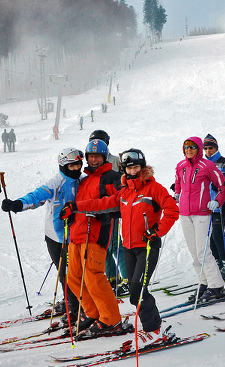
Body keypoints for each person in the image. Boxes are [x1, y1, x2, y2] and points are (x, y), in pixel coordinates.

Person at [71, 149, 179, 339]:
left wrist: (156, 232)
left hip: (147, 247)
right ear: (124, 170)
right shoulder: (125, 192)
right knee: (134, 292)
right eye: (129, 168)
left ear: (143, 167)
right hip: (129, 249)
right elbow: (101, 203)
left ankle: (153, 328)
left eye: (136, 167)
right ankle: (154, 323)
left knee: (137, 290)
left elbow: (172, 210)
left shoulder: (155, 189)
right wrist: (76, 207)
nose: (132, 171)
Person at [2, 147, 82, 325]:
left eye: (78, 164)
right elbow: (36, 196)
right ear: (63, 166)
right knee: (65, 274)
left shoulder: (83, 181)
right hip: (55, 236)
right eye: (72, 166)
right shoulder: (56, 182)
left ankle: (77, 307)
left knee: (76, 274)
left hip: (76, 235)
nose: (76, 168)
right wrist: (17, 204)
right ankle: (73, 306)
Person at [58, 139, 127, 338]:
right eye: (91, 156)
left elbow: (119, 203)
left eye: (98, 156)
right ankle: (93, 313)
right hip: (77, 234)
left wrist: (98, 212)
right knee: (73, 277)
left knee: (94, 277)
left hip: (96, 234)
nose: (94, 159)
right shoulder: (84, 179)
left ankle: (111, 319)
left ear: (104, 157)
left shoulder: (111, 177)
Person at [175, 136, 225, 302]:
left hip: (202, 213)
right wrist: (177, 194)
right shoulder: (181, 166)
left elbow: (223, 185)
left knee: (203, 252)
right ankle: (204, 283)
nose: (189, 150)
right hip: (185, 213)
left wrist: (217, 201)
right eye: (186, 147)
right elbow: (178, 183)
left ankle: (216, 286)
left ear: (198, 148)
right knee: (194, 253)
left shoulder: (208, 166)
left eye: (192, 147)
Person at [88, 129, 125, 288]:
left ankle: (129, 277)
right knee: (104, 245)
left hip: (112, 207)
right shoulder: (92, 162)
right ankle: (112, 277)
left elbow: (125, 179)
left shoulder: (115, 160)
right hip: (97, 209)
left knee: (116, 244)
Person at [203, 134, 225, 281]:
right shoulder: (203, 164)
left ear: (216, 148)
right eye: (205, 148)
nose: (208, 151)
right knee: (211, 237)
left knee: (218, 234)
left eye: (210, 148)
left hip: (221, 205)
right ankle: (219, 264)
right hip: (206, 206)